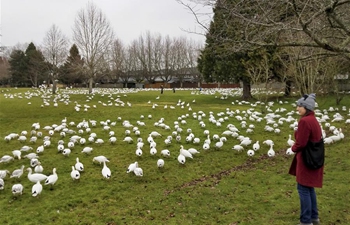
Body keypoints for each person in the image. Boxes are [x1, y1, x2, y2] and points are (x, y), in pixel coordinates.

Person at [289, 93, 323, 225]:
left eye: (300, 106)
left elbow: (301, 143)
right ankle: (314, 218)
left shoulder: (304, 121)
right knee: (309, 188)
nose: (297, 108)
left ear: (306, 107)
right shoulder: (313, 120)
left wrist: (292, 148)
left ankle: (305, 221)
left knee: (303, 188)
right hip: (315, 158)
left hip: (306, 159)